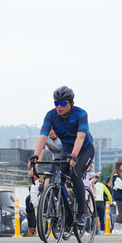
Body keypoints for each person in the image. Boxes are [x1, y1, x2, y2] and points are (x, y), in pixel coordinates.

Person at [29, 86, 95, 228]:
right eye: (56, 103)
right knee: (55, 177)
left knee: (75, 173)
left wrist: (74, 155)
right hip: (66, 150)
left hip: (84, 149)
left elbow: (81, 136)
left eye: (63, 103)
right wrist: (34, 155)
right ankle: (64, 210)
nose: (59, 107)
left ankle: (81, 213)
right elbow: (42, 136)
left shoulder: (81, 114)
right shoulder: (51, 115)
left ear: (71, 103)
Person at [111, 161, 122, 235]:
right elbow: (121, 186)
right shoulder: (116, 176)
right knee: (120, 213)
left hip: (121, 196)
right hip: (119, 196)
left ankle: (119, 228)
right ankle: (115, 229)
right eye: (121, 169)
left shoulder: (119, 176)